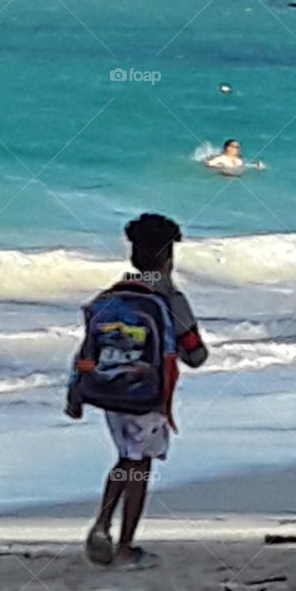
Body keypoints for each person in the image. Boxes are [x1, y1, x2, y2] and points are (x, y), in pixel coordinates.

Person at [66, 213, 208, 568]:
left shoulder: (110, 297)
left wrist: (76, 390)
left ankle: (101, 524)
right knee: (139, 466)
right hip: (148, 397)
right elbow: (196, 355)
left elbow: (86, 350)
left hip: (111, 393)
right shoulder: (171, 300)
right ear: (168, 256)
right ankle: (126, 547)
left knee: (127, 458)